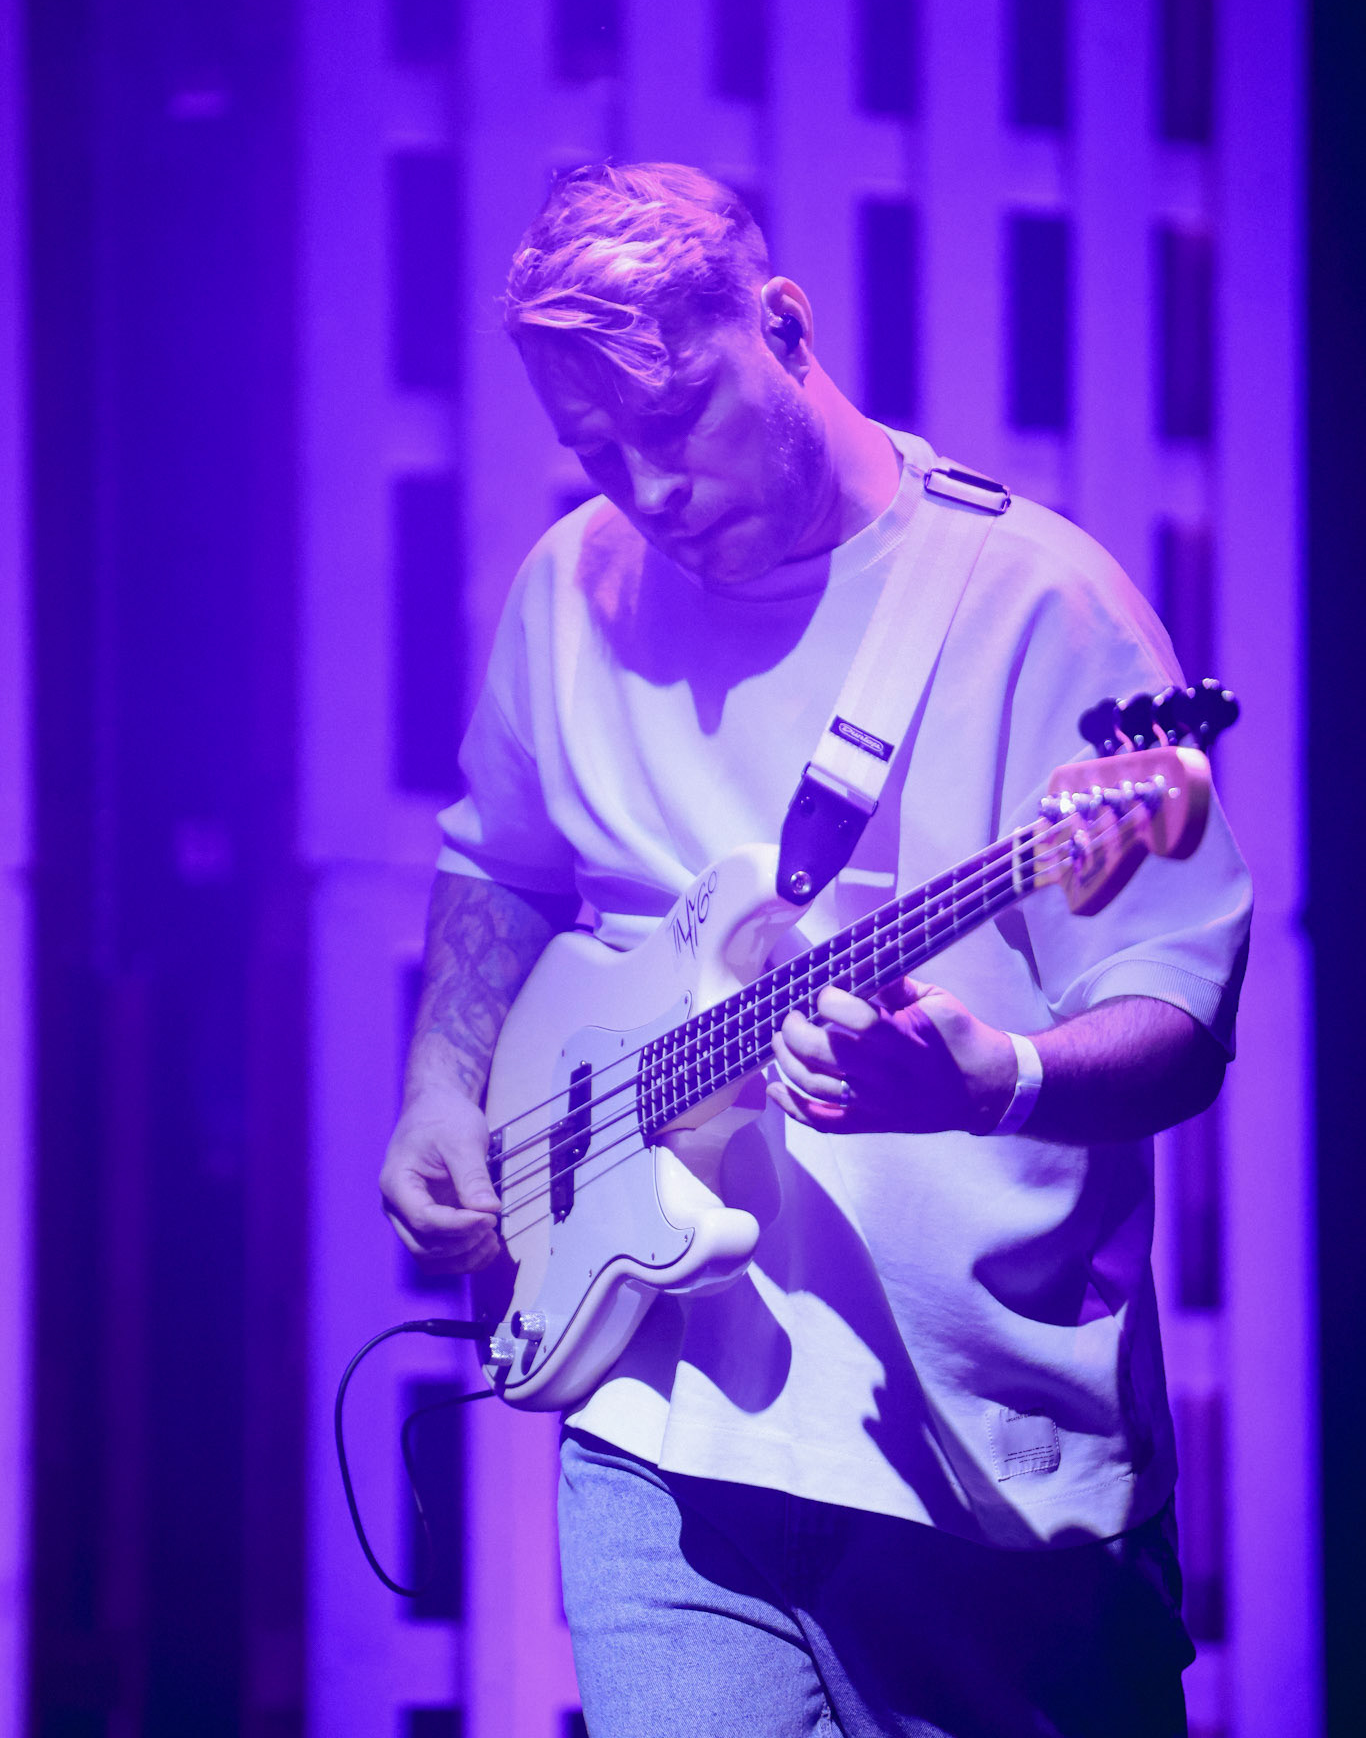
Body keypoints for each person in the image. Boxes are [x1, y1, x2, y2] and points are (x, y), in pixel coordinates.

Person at [379, 162, 1252, 1738]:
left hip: (969, 1459)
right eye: (594, 451)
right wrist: (442, 1085)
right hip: (655, 1418)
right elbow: (497, 861)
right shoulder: (567, 589)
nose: (647, 489)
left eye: (674, 420)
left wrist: (997, 1080)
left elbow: (1179, 1017)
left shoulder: (1034, 603)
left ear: (782, 326)